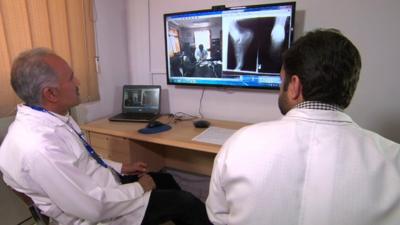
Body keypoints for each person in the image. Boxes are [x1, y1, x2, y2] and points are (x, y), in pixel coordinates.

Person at [206, 29, 400, 225]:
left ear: (295, 86)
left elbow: (218, 217)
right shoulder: (393, 159)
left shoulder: (239, 143)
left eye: (281, 81)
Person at [0, 48, 212, 225]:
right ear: (51, 93)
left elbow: (82, 158)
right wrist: (140, 187)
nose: (79, 81)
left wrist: (120, 167)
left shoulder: (50, 117)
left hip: (101, 188)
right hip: (99, 214)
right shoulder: (39, 147)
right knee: (185, 202)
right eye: (71, 77)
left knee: (165, 178)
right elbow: (93, 207)